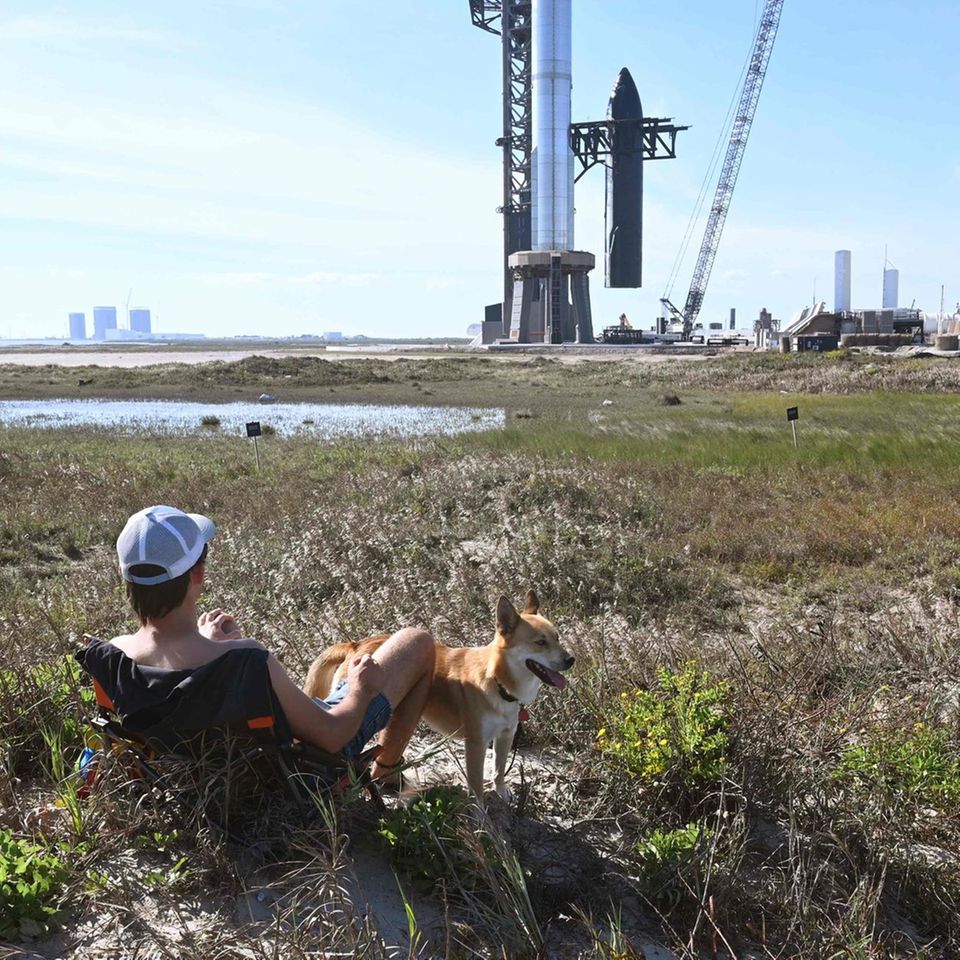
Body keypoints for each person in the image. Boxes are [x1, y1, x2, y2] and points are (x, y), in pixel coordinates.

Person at [77, 505, 435, 783]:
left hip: (185, 778)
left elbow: (172, 678)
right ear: (198, 574)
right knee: (416, 642)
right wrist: (359, 690)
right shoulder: (245, 659)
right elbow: (331, 736)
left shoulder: (110, 655)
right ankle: (387, 773)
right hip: (294, 775)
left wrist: (204, 643)